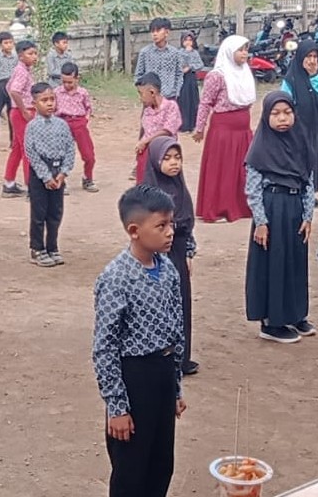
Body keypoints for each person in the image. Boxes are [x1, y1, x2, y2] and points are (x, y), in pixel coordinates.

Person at [93, 185, 187, 497]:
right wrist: (117, 407)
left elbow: (177, 331)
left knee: (161, 464)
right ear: (134, 230)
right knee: (131, 470)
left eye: (171, 223)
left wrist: (175, 388)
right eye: (161, 226)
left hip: (162, 374)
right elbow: (105, 347)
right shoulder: (115, 278)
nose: (170, 232)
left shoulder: (168, 269)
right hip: (134, 379)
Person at [245, 92, 316, 344]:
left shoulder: (301, 142)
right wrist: (261, 222)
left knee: (295, 263)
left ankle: (295, 314)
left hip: (296, 209)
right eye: (275, 114)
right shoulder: (260, 148)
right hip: (272, 210)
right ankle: (271, 323)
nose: (282, 118)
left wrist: (308, 215)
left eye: (287, 113)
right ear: (266, 116)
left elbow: (308, 182)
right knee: (273, 264)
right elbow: (253, 189)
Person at [141, 137, 199, 375]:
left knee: (181, 303)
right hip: (157, 254)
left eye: (177, 158)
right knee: (159, 305)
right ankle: (160, 359)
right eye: (167, 158)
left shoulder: (180, 188)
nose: (174, 163)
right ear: (156, 161)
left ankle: (181, 358)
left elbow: (187, 225)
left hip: (179, 252)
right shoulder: (148, 193)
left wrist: (189, 253)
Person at [193, 35, 256, 223]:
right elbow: (205, 102)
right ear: (229, 52)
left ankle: (241, 206)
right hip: (223, 133)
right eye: (240, 50)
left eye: (246, 49)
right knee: (223, 170)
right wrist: (200, 127)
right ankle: (217, 209)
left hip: (243, 131)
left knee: (242, 170)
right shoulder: (217, 76)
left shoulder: (245, 72)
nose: (244, 54)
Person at [24, 83, 75, 267]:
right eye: (44, 100)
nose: (49, 103)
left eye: (52, 99)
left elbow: (70, 148)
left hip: (58, 172)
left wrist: (63, 172)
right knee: (39, 213)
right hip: (40, 175)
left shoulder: (62, 125)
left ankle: (52, 246)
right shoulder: (32, 127)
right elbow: (31, 153)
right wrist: (45, 177)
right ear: (34, 103)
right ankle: (37, 248)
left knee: (55, 213)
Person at [281, 39, 318, 206]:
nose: (312, 61)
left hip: (314, 125)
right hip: (298, 126)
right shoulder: (291, 78)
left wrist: (314, 76)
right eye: (308, 56)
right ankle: (297, 191)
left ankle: (310, 192)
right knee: (299, 158)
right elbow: (285, 101)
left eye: (315, 57)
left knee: (314, 158)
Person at [2, 40, 38, 198]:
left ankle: (9, 183)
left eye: (35, 53)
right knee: (28, 150)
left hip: (19, 111)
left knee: (17, 149)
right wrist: (24, 110)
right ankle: (31, 187)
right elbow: (14, 91)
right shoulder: (22, 71)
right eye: (30, 54)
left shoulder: (22, 69)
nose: (34, 57)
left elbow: (8, 87)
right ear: (21, 56)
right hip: (22, 113)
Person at [55, 62, 98, 192]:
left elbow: (88, 108)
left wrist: (85, 120)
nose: (67, 85)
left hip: (79, 123)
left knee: (89, 154)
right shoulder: (57, 92)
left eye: (70, 82)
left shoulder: (83, 93)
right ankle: (61, 181)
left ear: (77, 79)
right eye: (64, 82)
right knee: (60, 154)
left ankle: (88, 178)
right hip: (62, 123)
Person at [134, 72, 182, 185]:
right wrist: (141, 144)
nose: (140, 98)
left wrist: (146, 141)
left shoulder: (171, 106)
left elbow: (167, 130)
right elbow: (147, 131)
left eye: (141, 94)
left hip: (165, 155)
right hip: (148, 154)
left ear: (152, 92)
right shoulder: (147, 111)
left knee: (166, 185)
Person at [133, 17, 183, 100]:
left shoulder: (175, 53)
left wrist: (177, 93)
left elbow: (179, 74)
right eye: (152, 31)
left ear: (167, 32)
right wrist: (143, 92)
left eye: (158, 30)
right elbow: (138, 75)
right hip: (151, 98)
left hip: (170, 97)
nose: (155, 34)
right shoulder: (145, 52)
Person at [178, 31, 203, 132]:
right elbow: (179, 64)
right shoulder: (179, 52)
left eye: (190, 40)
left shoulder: (195, 53)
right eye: (186, 40)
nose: (188, 42)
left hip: (192, 79)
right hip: (182, 80)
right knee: (183, 101)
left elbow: (200, 65)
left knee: (193, 101)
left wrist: (190, 67)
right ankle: (183, 125)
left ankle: (192, 124)